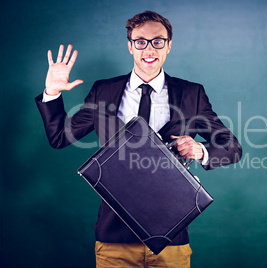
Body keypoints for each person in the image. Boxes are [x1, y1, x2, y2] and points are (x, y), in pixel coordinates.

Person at [35, 10, 242, 268]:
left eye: (158, 41)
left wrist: (201, 150)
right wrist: (52, 93)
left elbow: (232, 147)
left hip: (172, 239)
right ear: (130, 46)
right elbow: (59, 137)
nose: (149, 48)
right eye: (140, 41)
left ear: (168, 46)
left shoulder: (192, 94)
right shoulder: (104, 91)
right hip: (114, 239)